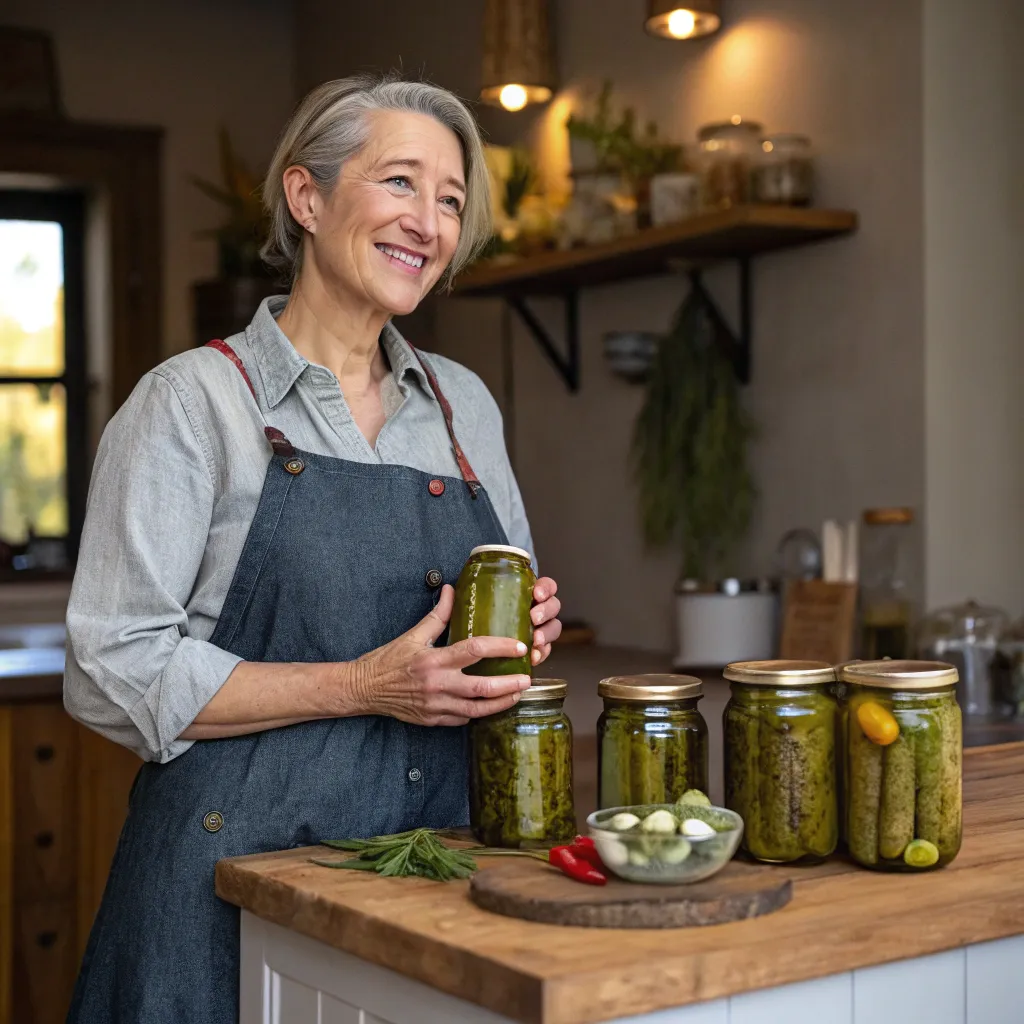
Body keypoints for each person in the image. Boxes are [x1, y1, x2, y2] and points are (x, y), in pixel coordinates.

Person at [63, 72, 561, 1023]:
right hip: (229, 878)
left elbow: (495, 619)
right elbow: (111, 667)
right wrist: (361, 686)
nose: (430, 221)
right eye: (401, 183)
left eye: (451, 201)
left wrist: (526, 632)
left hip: (426, 875)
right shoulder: (193, 403)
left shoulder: (465, 408)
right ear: (307, 196)